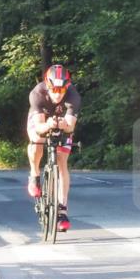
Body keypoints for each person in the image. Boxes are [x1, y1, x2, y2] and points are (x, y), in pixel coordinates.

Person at [27, 64, 80, 231]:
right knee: (37, 141)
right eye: (54, 90)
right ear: (48, 87)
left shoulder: (73, 95)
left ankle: (62, 211)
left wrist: (64, 125)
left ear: (67, 87)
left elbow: (71, 127)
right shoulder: (37, 94)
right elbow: (39, 127)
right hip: (41, 121)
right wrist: (48, 125)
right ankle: (34, 174)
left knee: (62, 160)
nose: (58, 94)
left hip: (61, 124)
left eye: (61, 91)